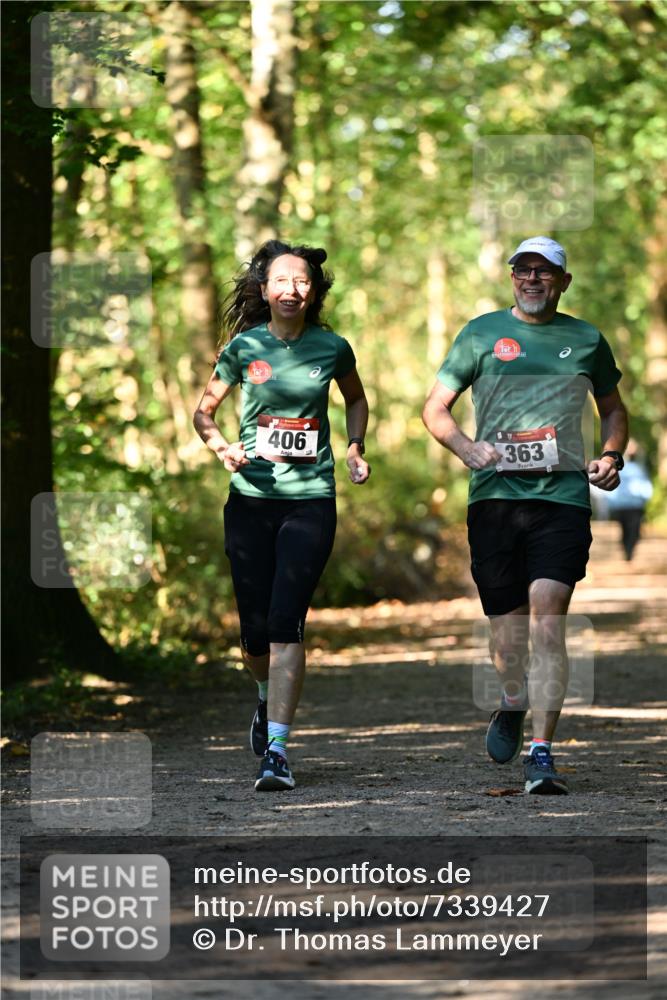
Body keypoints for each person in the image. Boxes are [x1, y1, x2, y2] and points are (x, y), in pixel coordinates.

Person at [423, 236, 628, 795]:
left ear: (563, 281)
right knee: (508, 633)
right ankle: (512, 699)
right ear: (512, 278)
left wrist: (611, 456)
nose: (532, 279)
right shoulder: (480, 334)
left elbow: (613, 410)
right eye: (522, 270)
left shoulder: (586, 339)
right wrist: (466, 448)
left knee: (547, 613)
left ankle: (542, 752)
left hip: (561, 499)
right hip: (494, 499)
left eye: (544, 271)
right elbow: (434, 408)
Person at [193, 240, 370, 792]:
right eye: (281, 281)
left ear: (313, 291)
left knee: (286, 621)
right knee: (254, 635)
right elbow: (204, 411)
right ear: (264, 289)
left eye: (301, 282)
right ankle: (264, 697)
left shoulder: (333, 347)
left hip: (311, 498)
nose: (292, 290)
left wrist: (356, 445)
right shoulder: (243, 349)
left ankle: (277, 749)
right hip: (250, 499)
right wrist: (222, 447)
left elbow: (356, 399)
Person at [606, 439, 653, 560]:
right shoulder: (621, 468)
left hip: (634, 505)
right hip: (624, 505)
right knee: (627, 529)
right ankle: (627, 549)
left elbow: (645, 485)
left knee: (633, 530)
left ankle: (629, 550)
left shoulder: (639, 468)